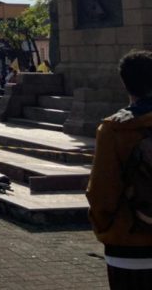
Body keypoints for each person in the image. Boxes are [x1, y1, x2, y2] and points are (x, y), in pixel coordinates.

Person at [87, 50, 152, 288]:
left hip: (128, 239)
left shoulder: (114, 130)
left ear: (125, 83)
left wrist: (104, 226)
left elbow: (102, 191)